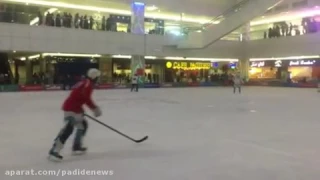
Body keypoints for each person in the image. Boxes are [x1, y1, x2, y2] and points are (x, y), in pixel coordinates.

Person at [48, 68, 102, 161]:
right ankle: (55, 150)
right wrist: (95, 109)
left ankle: (76, 146)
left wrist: (80, 109)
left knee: (82, 125)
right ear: (94, 77)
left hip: (75, 108)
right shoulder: (87, 84)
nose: (98, 79)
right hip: (70, 108)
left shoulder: (85, 82)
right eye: (97, 77)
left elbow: (78, 97)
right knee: (69, 127)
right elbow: (85, 98)